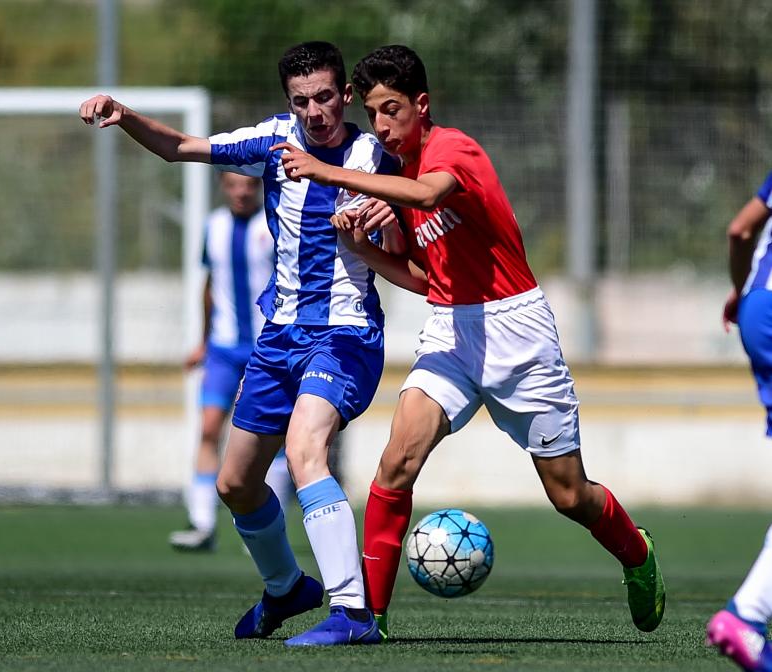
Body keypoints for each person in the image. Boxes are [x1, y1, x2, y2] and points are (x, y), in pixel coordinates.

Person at [273, 44, 666, 640]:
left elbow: (430, 195)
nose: (381, 125)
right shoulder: (394, 176)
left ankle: (637, 552)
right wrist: (362, 250)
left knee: (568, 494)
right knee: (396, 463)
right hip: (450, 329)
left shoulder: (452, 150)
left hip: (518, 332)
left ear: (421, 105)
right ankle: (367, 618)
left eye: (392, 109)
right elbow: (424, 279)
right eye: (373, 113)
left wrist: (328, 172)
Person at [79, 41, 400, 647]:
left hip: (344, 334)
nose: (315, 112)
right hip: (277, 337)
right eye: (302, 101)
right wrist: (125, 116)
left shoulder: (378, 156)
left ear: (346, 94)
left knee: (306, 450)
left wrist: (389, 217)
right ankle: (286, 587)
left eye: (325, 97)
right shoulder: (272, 142)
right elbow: (180, 148)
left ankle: (353, 611)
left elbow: (425, 202)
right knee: (234, 484)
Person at [168, 172, 292, 552]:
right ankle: (202, 524)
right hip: (223, 349)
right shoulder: (214, 226)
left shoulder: (274, 224)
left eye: (249, 185)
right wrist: (203, 342)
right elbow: (210, 286)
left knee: (272, 439)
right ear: (223, 186)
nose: (241, 192)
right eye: (234, 185)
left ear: (258, 186)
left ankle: (268, 527)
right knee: (209, 429)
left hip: (266, 348)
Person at [706, 172, 772, 671]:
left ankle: (748, 614)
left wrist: (741, 289)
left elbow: (740, 229)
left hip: (758, 310)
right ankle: (747, 615)